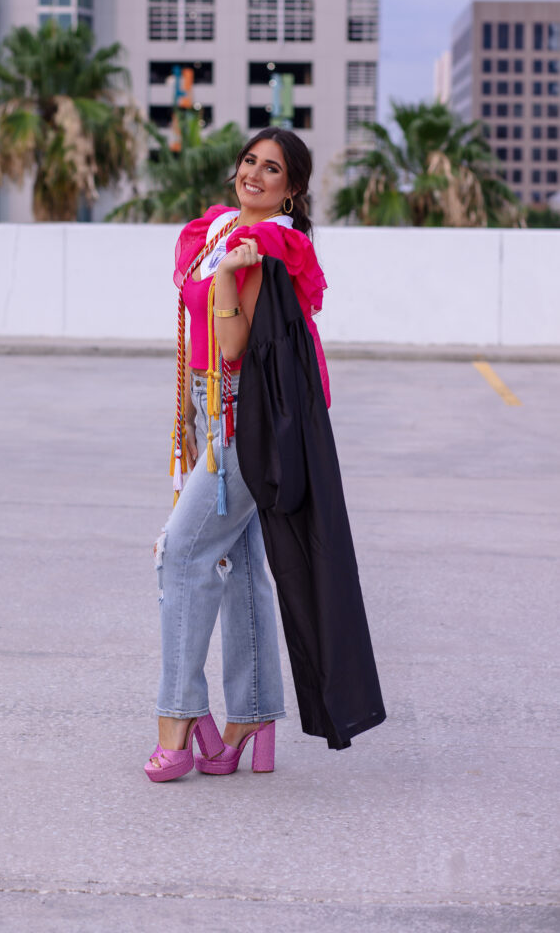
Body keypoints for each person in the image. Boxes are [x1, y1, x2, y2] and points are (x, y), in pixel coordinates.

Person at [145, 127, 329, 782]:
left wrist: (227, 275)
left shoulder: (266, 247)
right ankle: (249, 713)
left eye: (271, 168)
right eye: (249, 160)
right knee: (240, 562)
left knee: (180, 552)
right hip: (212, 407)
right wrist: (192, 417)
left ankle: (179, 722)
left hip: (248, 419)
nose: (253, 173)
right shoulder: (221, 228)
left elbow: (231, 349)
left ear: (293, 188)